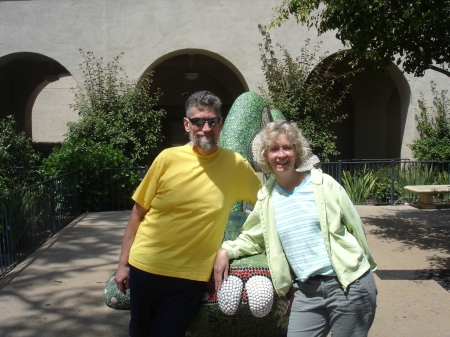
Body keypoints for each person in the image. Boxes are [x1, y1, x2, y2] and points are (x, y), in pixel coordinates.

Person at [114, 91, 262, 337]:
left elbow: (266, 205)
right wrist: (123, 264)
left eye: (212, 121)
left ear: (221, 123)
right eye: (198, 121)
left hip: (190, 276)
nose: (206, 128)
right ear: (187, 124)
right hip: (147, 266)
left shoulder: (236, 165)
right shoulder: (167, 159)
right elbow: (138, 213)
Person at [214, 120, 378, 337]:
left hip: (348, 285)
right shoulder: (267, 199)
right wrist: (226, 250)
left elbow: (356, 228)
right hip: (306, 292)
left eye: (287, 148)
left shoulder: (324, 185)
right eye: (274, 149)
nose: (281, 155)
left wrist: (360, 270)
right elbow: (252, 239)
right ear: (266, 156)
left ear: (296, 151)